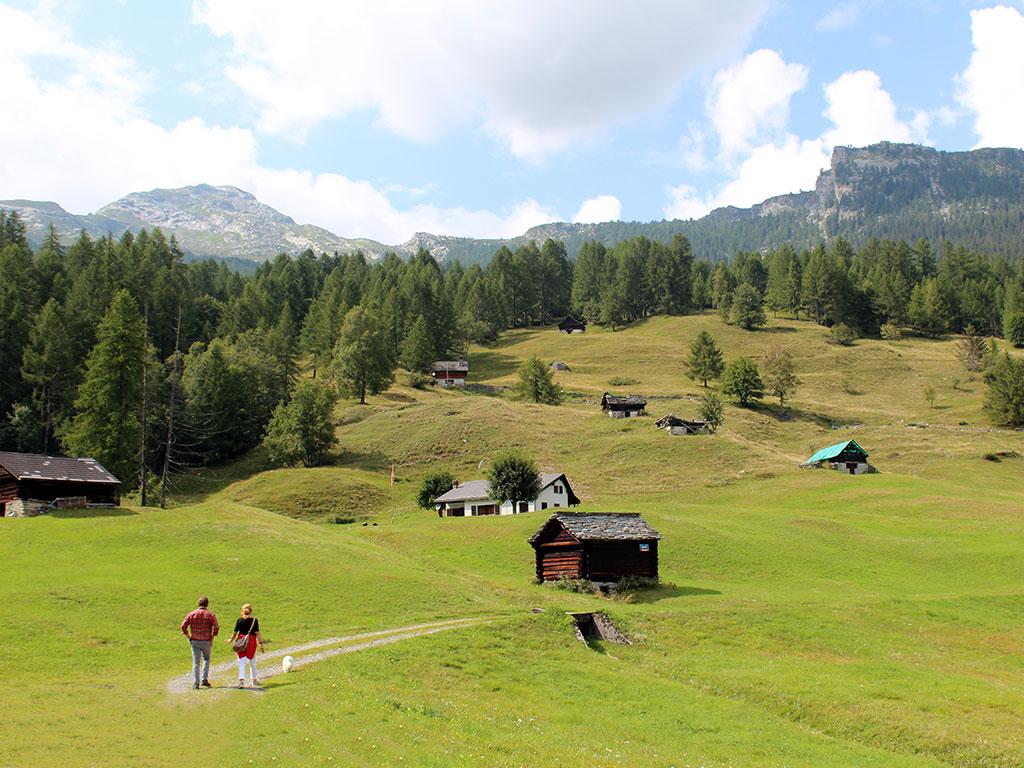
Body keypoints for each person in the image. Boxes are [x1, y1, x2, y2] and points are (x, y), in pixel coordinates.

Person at [180, 596, 220, 689]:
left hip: (195, 641)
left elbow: (183, 626)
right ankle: (204, 680)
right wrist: (212, 637)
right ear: (207, 604)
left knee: (196, 662)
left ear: (198, 604)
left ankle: (196, 683)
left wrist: (188, 637)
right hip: (206, 640)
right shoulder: (211, 615)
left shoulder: (192, 614)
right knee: (206, 659)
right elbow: (216, 627)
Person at [227, 603, 265, 688]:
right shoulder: (254, 620)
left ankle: (241, 681)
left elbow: (235, 632)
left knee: (241, 662)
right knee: (252, 661)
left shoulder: (239, 620)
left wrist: (231, 640)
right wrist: (261, 644)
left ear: (242, 611)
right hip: (251, 642)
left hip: (241, 642)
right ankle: (254, 680)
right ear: (251, 611)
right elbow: (257, 633)